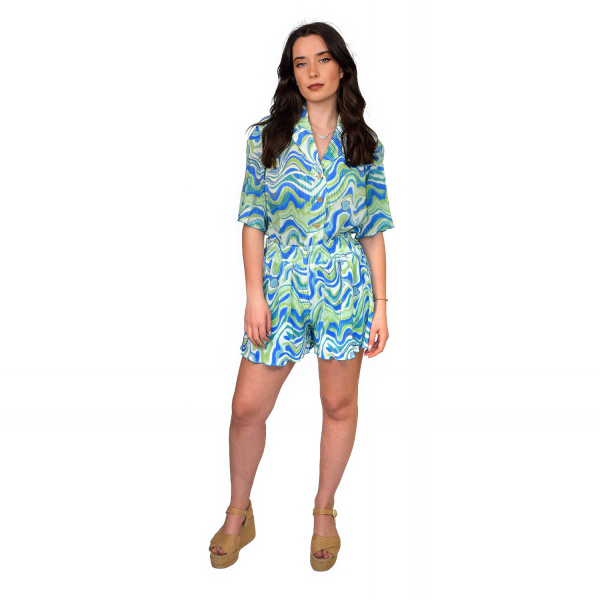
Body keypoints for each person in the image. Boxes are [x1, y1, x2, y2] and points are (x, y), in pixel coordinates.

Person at [208, 21, 395, 571]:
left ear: (341, 67)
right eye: (300, 63)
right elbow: (253, 220)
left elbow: (373, 230)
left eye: (322, 59)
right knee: (247, 408)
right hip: (281, 286)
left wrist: (382, 306)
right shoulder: (266, 138)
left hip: (345, 289)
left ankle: (323, 511)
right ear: (291, 74)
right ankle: (239, 512)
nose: (312, 71)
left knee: (338, 406)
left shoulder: (365, 144)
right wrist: (254, 295)